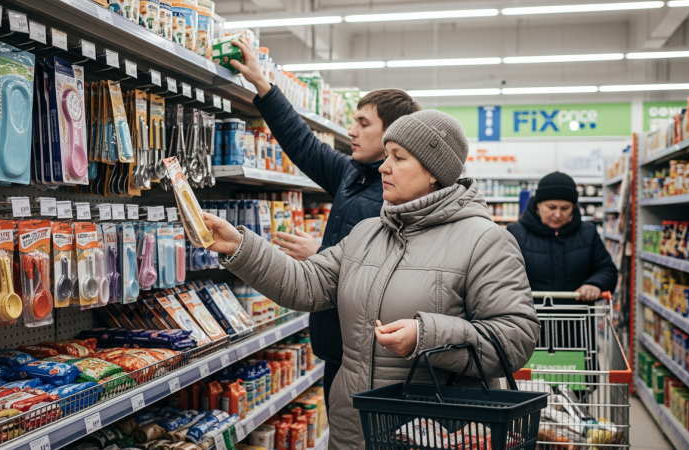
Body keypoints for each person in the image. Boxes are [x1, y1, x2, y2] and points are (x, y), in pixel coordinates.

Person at [201, 110, 540, 450]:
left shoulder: (484, 240)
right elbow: (306, 283)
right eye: (386, 154)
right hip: (354, 425)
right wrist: (239, 246)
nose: (383, 166)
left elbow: (516, 337)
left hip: (437, 431)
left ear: (434, 172)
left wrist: (427, 335)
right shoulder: (366, 233)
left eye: (398, 157)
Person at [229, 39, 421, 407]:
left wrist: (321, 253)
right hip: (335, 341)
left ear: (392, 134)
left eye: (363, 123)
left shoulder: (400, 196)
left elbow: (395, 275)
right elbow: (302, 144)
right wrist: (264, 86)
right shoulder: (352, 174)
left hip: (372, 351)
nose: (351, 130)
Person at [507, 172, 618, 301]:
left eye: (565, 208)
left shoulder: (588, 233)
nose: (558, 214)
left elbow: (607, 269)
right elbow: (499, 274)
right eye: (551, 207)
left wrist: (595, 283)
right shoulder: (515, 233)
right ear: (538, 204)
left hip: (577, 318)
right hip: (528, 317)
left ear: (574, 207)